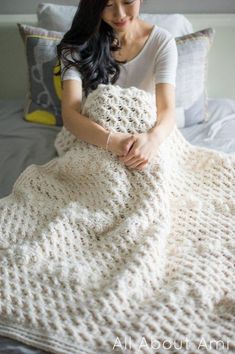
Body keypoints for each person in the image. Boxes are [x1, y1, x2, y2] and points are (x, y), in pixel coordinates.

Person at [57, 0, 178, 171]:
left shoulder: (161, 42)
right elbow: (70, 114)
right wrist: (111, 140)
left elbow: (166, 110)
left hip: (146, 133)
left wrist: (152, 140)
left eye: (127, 1)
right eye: (107, 4)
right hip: (92, 132)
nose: (119, 14)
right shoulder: (77, 44)